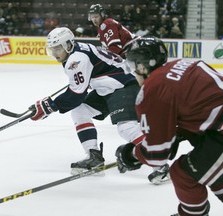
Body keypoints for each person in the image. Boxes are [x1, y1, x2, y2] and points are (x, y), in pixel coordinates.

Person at [115, 36, 223, 216]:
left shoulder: (153, 89)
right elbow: (203, 107)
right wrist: (176, 134)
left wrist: (131, 154)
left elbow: (156, 156)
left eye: (133, 66)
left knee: (183, 174)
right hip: (217, 131)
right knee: (208, 168)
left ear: (142, 66)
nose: (133, 72)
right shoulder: (185, 64)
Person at [29, 26, 141, 175]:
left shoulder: (76, 59)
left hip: (124, 86)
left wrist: (51, 105)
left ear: (68, 45)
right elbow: (79, 87)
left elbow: (76, 94)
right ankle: (94, 156)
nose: (55, 53)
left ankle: (159, 162)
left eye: (57, 49)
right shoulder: (75, 51)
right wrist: (51, 105)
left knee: (126, 128)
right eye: (52, 50)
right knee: (80, 110)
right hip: (108, 88)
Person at [89, 3, 170, 184]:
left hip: (132, 66)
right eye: (91, 17)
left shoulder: (106, 25)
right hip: (133, 66)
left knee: (127, 125)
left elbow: (115, 51)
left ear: (102, 14)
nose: (94, 19)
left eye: (96, 15)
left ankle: (158, 163)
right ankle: (148, 154)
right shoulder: (105, 26)